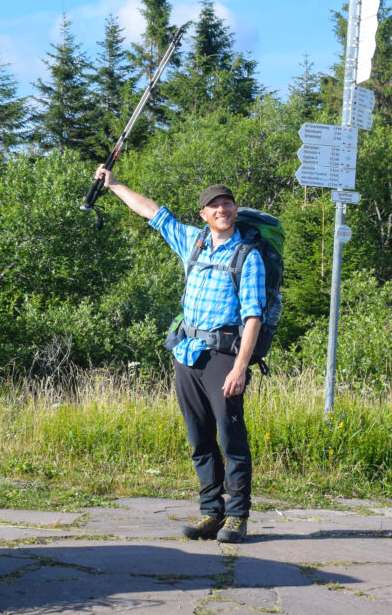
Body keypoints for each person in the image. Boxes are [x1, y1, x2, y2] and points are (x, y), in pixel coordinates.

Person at [94, 166, 266, 543]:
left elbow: (254, 316)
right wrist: (114, 184)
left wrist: (240, 368)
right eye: (214, 205)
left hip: (223, 355)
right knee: (199, 437)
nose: (222, 209)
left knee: (230, 436)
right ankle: (211, 514)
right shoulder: (193, 241)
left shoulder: (247, 255)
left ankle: (237, 516)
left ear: (235, 210)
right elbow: (152, 212)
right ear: (203, 214)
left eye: (228, 204)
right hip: (187, 353)